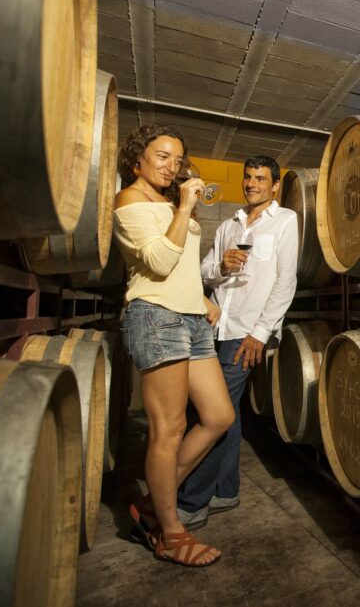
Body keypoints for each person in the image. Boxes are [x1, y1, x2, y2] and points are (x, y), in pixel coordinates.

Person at [113, 124, 235, 567]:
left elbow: (181, 265)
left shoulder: (166, 202)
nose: (172, 166)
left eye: (177, 159)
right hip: (156, 316)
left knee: (219, 415)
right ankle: (169, 532)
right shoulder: (131, 201)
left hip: (190, 317)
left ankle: (152, 502)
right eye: (162, 156)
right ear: (137, 160)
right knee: (169, 430)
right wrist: (185, 205)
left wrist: (201, 298)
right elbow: (160, 262)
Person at [176, 155, 298, 528]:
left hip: (246, 332)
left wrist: (260, 334)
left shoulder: (285, 222)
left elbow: (285, 281)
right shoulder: (230, 223)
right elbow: (205, 272)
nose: (251, 184)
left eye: (260, 178)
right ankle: (225, 490)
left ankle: (191, 501)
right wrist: (221, 267)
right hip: (216, 330)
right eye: (248, 177)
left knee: (211, 414)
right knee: (225, 413)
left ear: (274, 185)